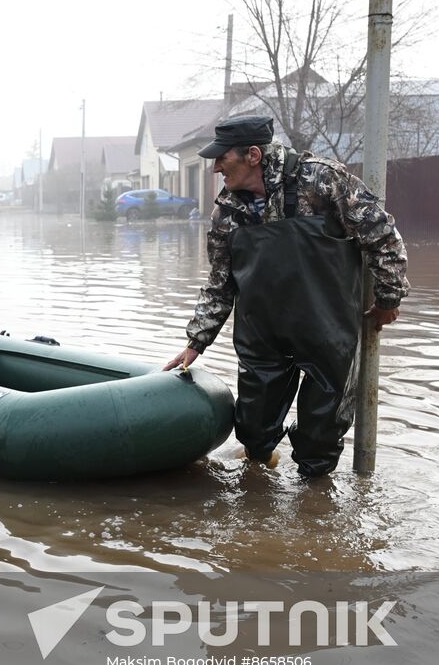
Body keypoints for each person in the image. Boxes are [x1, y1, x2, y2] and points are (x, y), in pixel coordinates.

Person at [163, 115, 408, 478]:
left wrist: (389, 298)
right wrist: (197, 340)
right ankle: (261, 479)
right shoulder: (226, 213)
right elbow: (220, 281)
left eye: (221, 158)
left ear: (253, 155)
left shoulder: (322, 179)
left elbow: (381, 234)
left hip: (327, 328)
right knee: (252, 430)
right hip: (262, 332)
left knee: (321, 438)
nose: (215, 168)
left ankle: (314, 511)